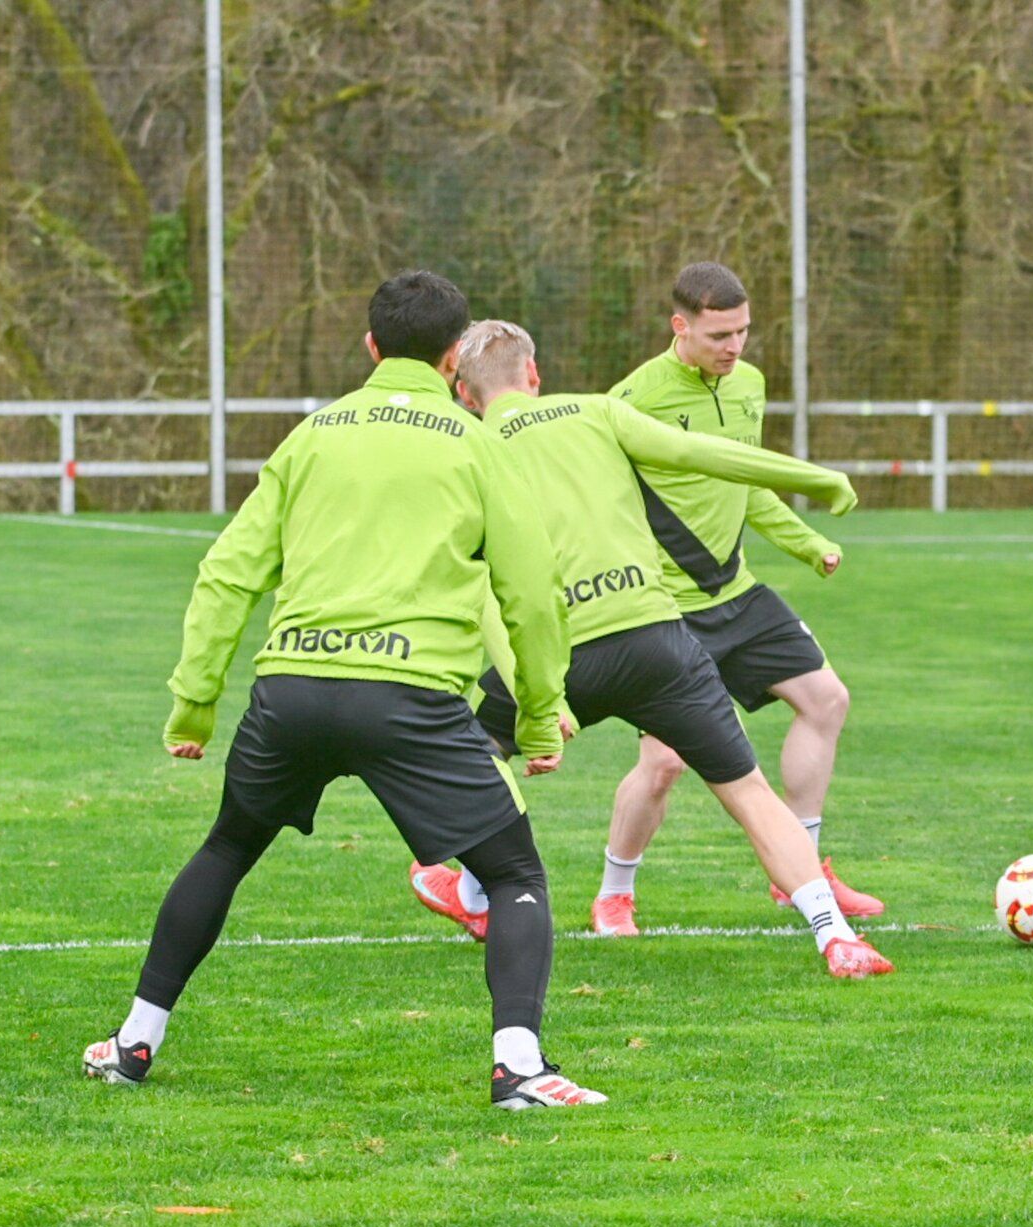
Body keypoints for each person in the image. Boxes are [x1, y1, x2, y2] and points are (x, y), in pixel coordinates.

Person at [83, 271, 607, 1110]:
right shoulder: (478, 445)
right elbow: (532, 593)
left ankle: (133, 1042)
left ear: (370, 345)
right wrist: (540, 716)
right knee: (512, 872)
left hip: (291, 688)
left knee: (227, 847)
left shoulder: (311, 436)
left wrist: (195, 703)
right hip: (408, 696)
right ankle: (518, 1066)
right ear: (453, 357)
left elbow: (227, 574)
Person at [408, 319, 894, 979]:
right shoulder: (598, 412)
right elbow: (704, 454)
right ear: (534, 373)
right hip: (658, 640)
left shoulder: (466, 448)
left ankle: (470, 892)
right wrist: (817, 478)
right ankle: (835, 936)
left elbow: (479, 585)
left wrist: (538, 696)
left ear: (464, 394)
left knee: (465, 752)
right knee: (749, 791)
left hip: (562, 654)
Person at [570, 262, 879, 937]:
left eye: (742, 331)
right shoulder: (631, 399)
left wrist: (806, 544)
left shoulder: (750, 385)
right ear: (679, 326)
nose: (734, 347)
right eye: (718, 335)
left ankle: (799, 868)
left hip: (737, 592)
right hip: (665, 608)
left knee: (826, 700)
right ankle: (614, 893)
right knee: (663, 762)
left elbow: (745, 481)